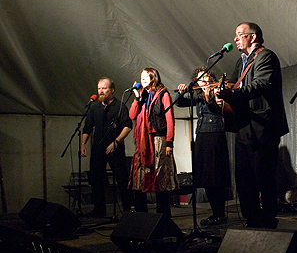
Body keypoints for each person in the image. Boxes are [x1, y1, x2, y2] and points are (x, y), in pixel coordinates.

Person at [218, 22, 289, 229]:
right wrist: (216, 95)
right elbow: (232, 85)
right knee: (243, 179)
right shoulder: (240, 62)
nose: (235, 39)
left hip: (262, 128)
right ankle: (251, 219)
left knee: (263, 177)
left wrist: (232, 94)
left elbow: (261, 84)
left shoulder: (266, 56)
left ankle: (268, 220)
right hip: (243, 127)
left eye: (240, 35)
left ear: (253, 37)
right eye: (235, 35)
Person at [175, 67, 231, 226]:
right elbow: (180, 103)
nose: (204, 81)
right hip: (201, 135)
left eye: (206, 77)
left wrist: (209, 98)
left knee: (215, 177)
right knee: (206, 177)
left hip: (215, 135)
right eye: (201, 79)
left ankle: (220, 213)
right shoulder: (198, 96)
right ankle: (216, 214)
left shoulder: (216, 92)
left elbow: (219, 110)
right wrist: (180, 92)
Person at [81, 77, 134, 216]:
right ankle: (99, 209)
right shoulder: (94, 108)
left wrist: (116, 142)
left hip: (115, 148)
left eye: (104, 88)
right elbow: (87, 128)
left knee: (121, 178)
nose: (101, 91)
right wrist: (83, 144)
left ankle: (127, 209)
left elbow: (128, 126)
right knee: (96, 178)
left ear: (112, 90)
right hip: (98, 148)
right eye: (99, 88)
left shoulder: (119, 106)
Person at [129, 68, 178, 217]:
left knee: (159, 179)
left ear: (154, 78)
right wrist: (137, 98)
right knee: (139, 178)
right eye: (141, 77)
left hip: (158, 140)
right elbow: (132, 115)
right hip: (144, 142)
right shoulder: (143, 96)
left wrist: (169, 142)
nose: (142, 79)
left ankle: (163, 217)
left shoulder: (163, 94)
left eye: (146, 76)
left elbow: (170, 119)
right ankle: (141, 216)